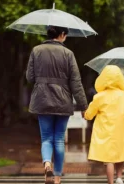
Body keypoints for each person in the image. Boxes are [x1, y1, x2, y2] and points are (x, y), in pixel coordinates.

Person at [26, 26, 88, 184]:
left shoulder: (36, 50)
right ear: (61, 35)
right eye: (65, 35)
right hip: (62, 101)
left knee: (46, 138)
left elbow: (29, 77)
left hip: (42, 99)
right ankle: (57, 178)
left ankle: (47, 163)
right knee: (59, 139)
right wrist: (83, 106)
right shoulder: (68, 54)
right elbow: (76, 83)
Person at [84, 65, 124, 184]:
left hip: (106, 132)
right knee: (120, 154)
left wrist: (85, 114)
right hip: (121, 130)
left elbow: (89, 114)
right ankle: (119, 177)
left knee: (109, 160)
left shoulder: (99, 97)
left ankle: (111, 182)